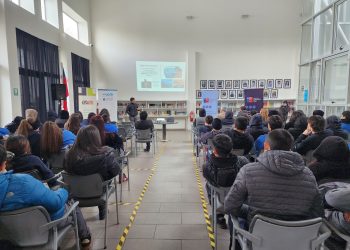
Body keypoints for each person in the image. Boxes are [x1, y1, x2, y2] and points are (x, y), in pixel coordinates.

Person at [224, 129, 323, 226]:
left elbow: (230, 205)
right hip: (297, 238)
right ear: (291, 147)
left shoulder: (248, 171)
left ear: (266, 145)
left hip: (258, 236)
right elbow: (317, 212)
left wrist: (250, 213)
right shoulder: (308, 175)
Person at [0, 144, 91, 247]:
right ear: (4, 162)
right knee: (71, 202)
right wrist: (64, 191)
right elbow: (55, 202)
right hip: (43, 227)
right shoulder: (23, 182)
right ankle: (85, 237)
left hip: (11, 238)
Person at [64, 125, 121, 220]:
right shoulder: (105, 156)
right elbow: (116, 171)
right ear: (96, 138)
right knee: (104, 176)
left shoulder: (68, 156)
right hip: (98, 192)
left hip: (75, 193)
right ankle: (102, 208)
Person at [203, 134, 249, 229]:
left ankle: (218, 215)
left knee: (208, 185)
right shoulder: (243, 162)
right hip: (241, 205)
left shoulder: (206, 167)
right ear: (231, 148)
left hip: (220, 203)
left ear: (214, 150)